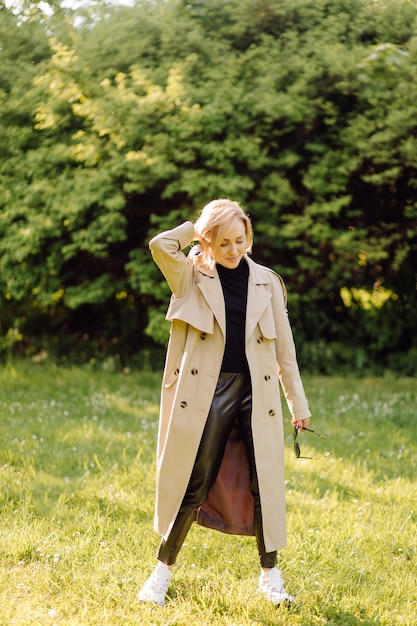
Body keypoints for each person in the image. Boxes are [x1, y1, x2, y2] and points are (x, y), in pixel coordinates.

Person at [138, 198, 311, 607]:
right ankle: (160, 573)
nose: (235, 249)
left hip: (259, 391)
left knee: (263, 481)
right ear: (208, 241)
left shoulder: (268, 282)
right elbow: (161, 245)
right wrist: (194, 230)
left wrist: (297, 405)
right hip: (208, 391)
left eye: (241, 239)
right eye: (225, 242)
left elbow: (285, 350)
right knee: (193, 479)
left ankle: (271, 577)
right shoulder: (190, 276)